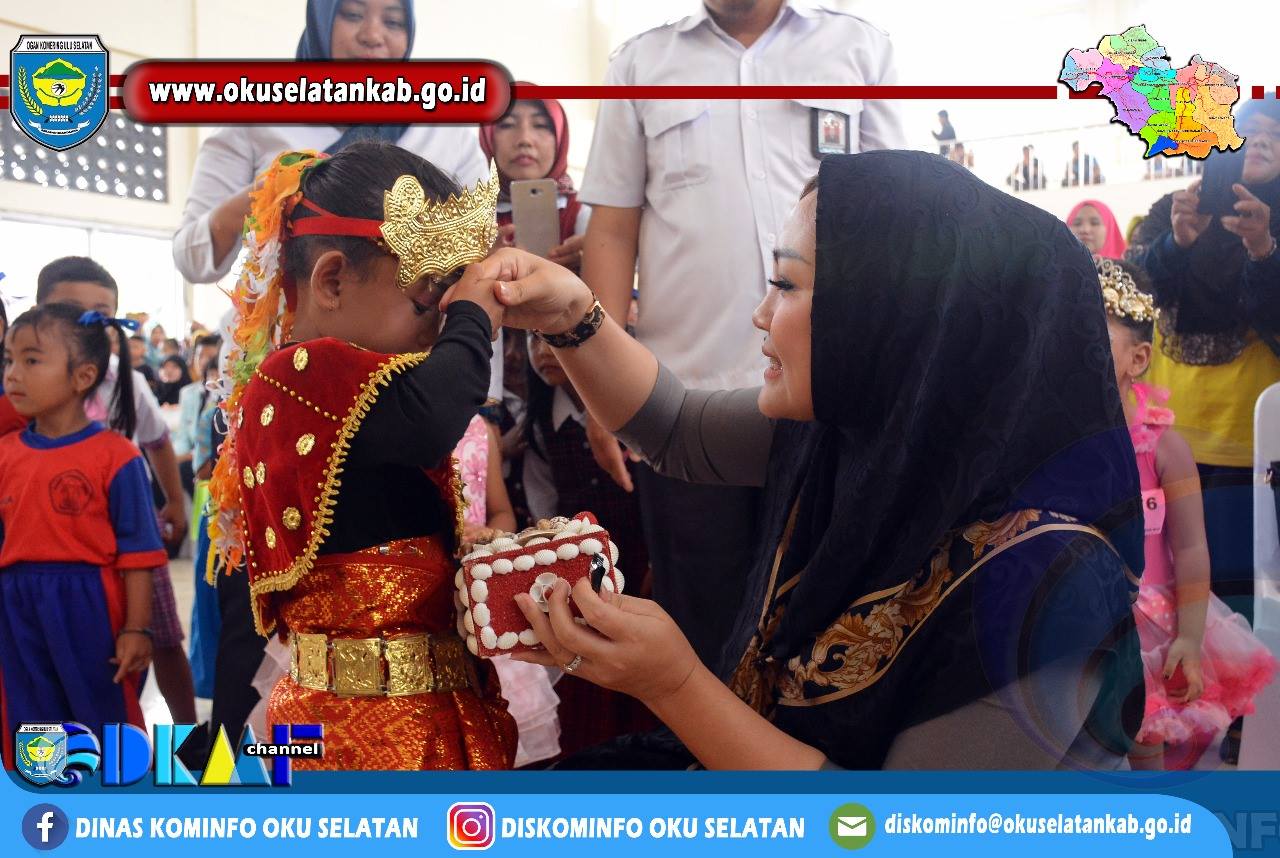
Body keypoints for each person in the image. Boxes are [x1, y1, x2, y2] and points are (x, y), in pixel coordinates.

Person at [451, 150, 1145, 770]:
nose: (760, 314)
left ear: (891, 315)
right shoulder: (856, 436)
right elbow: (676, 428)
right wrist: (571, 313)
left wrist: (674, 684)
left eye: (786, 284)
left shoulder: (1055, 581)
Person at [578, 0, 905, 671]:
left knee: (841, 626)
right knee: (703, 631)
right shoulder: (640, 64)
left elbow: (907, 214)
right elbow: (612, 229)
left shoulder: (858, 49)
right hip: (685, 410)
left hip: (834, 401)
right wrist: (599, 390)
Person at [207, 143, 515, 770]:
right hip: (355, 729)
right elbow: (429, 419)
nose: (439, 329)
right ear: (332, 280)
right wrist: (473, 318)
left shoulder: (358, 394)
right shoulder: (298, 373)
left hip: (417, 706)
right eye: (428, 300)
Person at [172, 0, 505, 406]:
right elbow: (191, 259)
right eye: (352, 14)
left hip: (411, 381)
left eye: (393, 21)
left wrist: (482, 399)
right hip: (275, 374)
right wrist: (273, 190)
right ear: (321, 18)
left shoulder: (445, 131)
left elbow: (478, 270)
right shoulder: (256, 117)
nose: (373, 35)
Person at [1128, 98, 1280, 762]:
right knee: (1166, 581)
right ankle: (1165, 711)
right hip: (1167, 436)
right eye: (1247, 133)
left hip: (1253, 439)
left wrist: (1264, 249)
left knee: (1245, 582)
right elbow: (1131, 294)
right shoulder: (1173, 210)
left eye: (1274, 137)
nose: (1259, 143)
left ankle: (1244, 711)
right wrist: (1177, 245)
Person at [1098, 258, 1276, 771]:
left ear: (1138, 358)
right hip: (1081, 619)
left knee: (1143, 738)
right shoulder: (1060, 441)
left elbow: (1192, 548)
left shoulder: (1164, 448)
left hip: (1147, 625)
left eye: (1097, 340)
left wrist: (1191, 638)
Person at [35, 257, 197, 726]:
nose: (86, 324)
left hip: (130, 534)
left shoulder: (124, 379)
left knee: (162, 638)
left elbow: (157, 441)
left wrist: (174, 503)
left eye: (100, 314)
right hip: (56, 539)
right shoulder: (28, 380)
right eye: (71, 309)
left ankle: (188, 738)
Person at [0, 303, 165, 752]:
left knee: (101, 714)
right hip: (17, 605)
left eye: (31, 360)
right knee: (30, 714)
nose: (13, 374)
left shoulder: (117, 456)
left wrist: (136, 629)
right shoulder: (6, 453)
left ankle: (115, 790)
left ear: (82, 376)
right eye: (9, 360)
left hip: (89, 604)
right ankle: (44, 793)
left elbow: (138, 556)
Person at [520, 331, 658, 758]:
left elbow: (660, 491)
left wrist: (660, 558)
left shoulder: (628, 408)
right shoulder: (541, 425)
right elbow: (544, 506)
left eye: (550, 339)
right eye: (532, 341)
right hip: (579, 568)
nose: (542, 352)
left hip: (641, 557)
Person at [480, 90, 589, 272]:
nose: (524, 139)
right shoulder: (469, 215)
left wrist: (593, 261)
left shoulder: (583, 212)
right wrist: (474, 263)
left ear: (560, 138)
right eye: (507, 125)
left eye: (540, 125)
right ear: (488, 138)